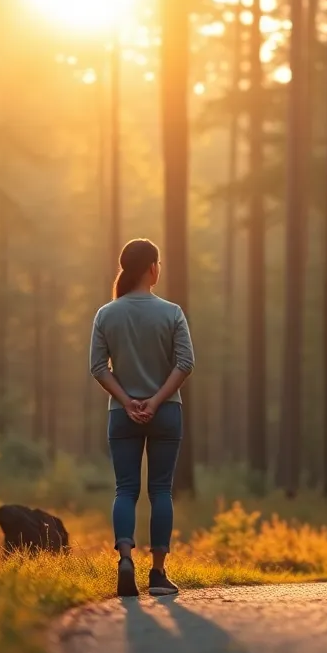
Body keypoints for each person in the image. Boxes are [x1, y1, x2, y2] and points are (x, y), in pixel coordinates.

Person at [89, 238, 195, 597]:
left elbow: (97, 368)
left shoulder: (106, 314)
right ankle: (159, 574)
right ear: (152, 268)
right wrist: (154, 402)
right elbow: (185, 363)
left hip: (121, 415)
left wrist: (128, 401)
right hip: (166, 413)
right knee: (161, 490)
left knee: (125, 489)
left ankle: (124, 561)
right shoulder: (172, 312)